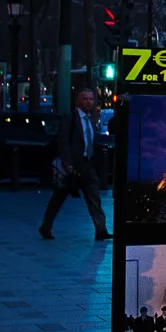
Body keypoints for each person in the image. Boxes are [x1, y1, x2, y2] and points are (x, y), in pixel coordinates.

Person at [41, 87, 110, 240]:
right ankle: (46, 226)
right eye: (85, 99)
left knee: (94, 198)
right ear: (78, 101)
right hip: (73, 165)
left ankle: (101, 230)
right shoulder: (70, 118)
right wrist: (68, 165)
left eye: (91, 99)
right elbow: (63, 141)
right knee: (58, 198)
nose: (89, 102)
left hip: (87, 164)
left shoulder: (91, 119)